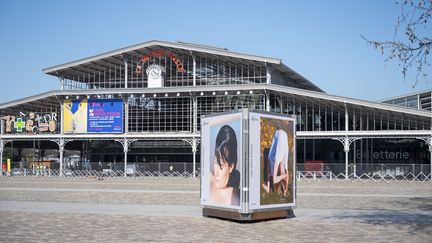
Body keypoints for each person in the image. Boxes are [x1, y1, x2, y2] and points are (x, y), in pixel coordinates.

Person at [209, 125, 240, 206]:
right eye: (216, 163)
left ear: (231, 166)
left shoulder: (234, 198)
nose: (217, 173)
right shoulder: (209, 180)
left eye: (221, 166)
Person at [262, 129, 289, 195]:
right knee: (282, 166)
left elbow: (272, 177)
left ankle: (284, 186)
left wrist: (284, 176)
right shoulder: (277, 160)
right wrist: (284, 176)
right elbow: (272, 178)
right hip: (280, 135)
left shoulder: (277, 160)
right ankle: (284, 187)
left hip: (282, 136)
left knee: (282, 166)